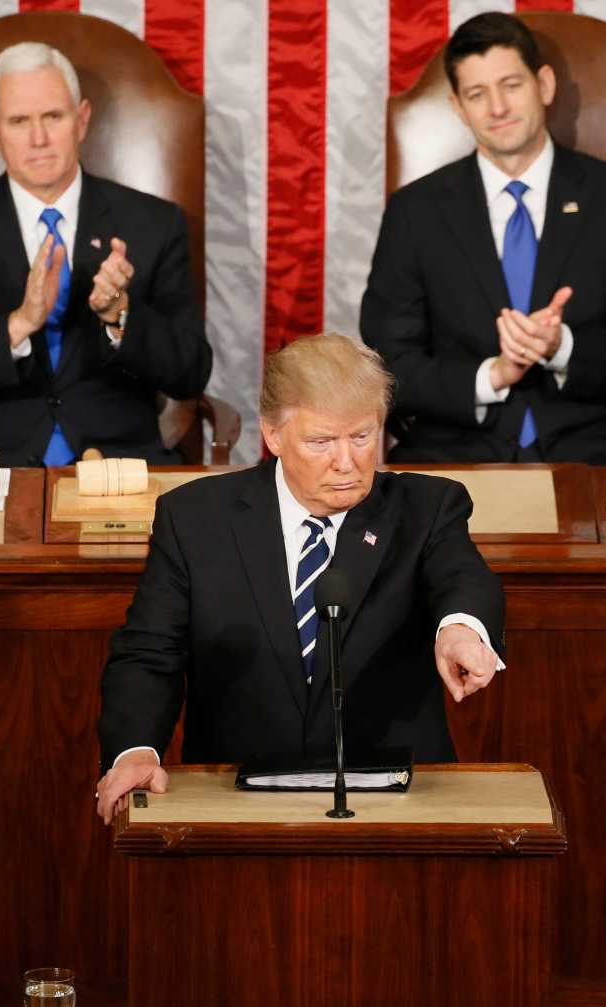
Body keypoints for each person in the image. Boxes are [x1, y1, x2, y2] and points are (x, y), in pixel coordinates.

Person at [94, 334, 505, 824]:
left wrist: (461, 628)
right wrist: (135, 750)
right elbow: (149, 652)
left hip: (396, 798)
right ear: (273, 435)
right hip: (235, 796)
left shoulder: (426, 508)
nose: (347, 462)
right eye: (321, 441)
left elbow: (461, 577)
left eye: (361, 436)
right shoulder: (195, 519)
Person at [360, 12, 606, 465]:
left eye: (511, 85)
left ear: (544, 86)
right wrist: (491, 375)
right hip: (455, 455)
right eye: (477, 93)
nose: (498, 108)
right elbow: (389, 364)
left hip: (595, 453)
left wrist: (561, 347)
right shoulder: (416, 212)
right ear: (458, 107)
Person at [0, 42, 212, 467]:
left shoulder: (153, 223)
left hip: (116, 464)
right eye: (19, 121)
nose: (38, 138)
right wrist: (17, 325)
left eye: (52, 117)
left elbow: (191, 371)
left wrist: (121, 317)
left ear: (81, 121)